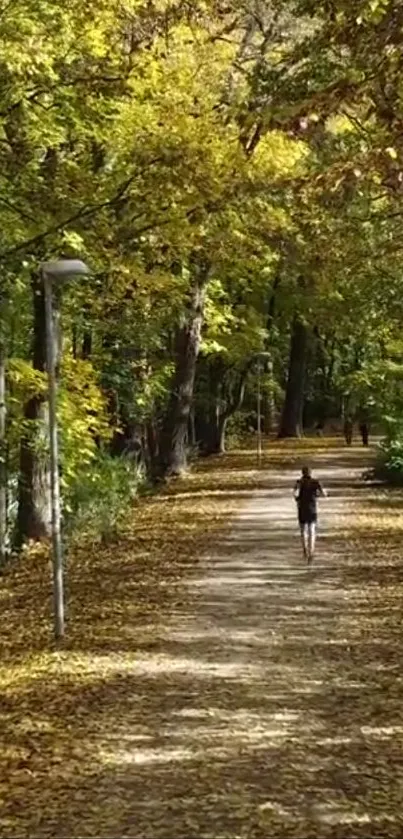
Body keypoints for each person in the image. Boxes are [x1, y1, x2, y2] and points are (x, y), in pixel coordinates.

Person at [293, 466, 327, 564]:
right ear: (311, 473)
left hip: (302, 509)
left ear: (302, 473)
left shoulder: (299, 482)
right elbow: (324, 494)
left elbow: (295, 494)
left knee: (303, 531)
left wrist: (297, 499)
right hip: (312, 509)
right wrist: (317, 496)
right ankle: (311, 551)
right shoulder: (316, 482)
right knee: (312, 530)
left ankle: (305, 550)